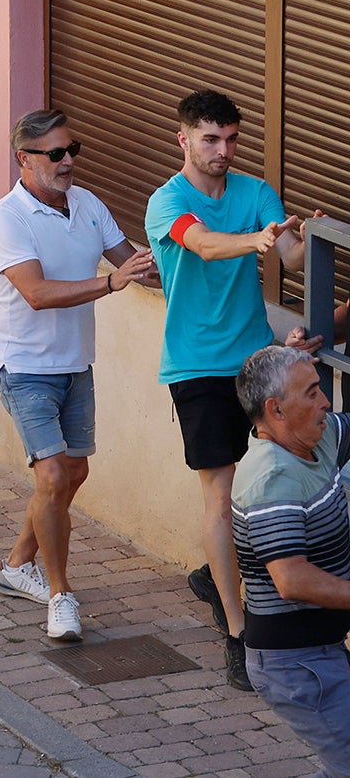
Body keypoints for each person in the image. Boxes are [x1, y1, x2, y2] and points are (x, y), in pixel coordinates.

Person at [145, 88, 315, 690]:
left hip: (255, 360)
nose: (223, 150)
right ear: (184, 139)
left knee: (281, 477)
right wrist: (255, 241)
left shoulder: (254, 191)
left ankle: (215, 574)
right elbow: (203, 244)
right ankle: (238, 632)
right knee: (220, 497)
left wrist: (302, 236)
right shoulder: (167, 201)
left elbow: (291, 257)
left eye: (231, 139)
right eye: (211, 139)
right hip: (195, 368)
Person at [0, 110, 158, 643]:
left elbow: (134, 264)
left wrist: (213, 251)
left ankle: (17, 565)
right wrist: (110, 284)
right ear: (24, 159)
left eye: (71, 149)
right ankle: (60, 596)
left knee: (72, 474)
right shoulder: (7, 218)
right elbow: (36, 294)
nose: (68, 162)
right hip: (24, 367)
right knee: (54, 477)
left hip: (76, 363)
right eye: (55, 154)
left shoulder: (87, 204)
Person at [231, 345, 350, 775]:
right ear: (276, 409)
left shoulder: (316, 438)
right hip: (295, 665)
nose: (325, 402)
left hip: (322, 650)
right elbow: (292, 580)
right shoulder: (272, 480)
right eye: (312, 393)